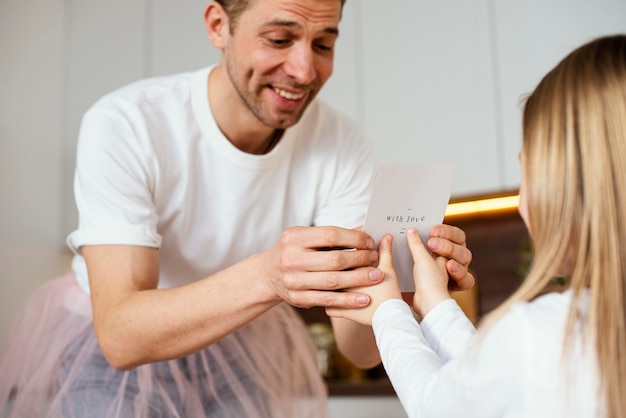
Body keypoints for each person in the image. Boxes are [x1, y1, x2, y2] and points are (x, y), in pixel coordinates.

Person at [0, 0, 474, 417]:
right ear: (217, 26)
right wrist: (268, 277)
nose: (305, 70)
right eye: (279, 38)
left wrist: (403, 297)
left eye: (324, 45)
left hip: (240, 343)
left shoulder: (343, 147)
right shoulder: (127, 123)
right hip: (110, 340)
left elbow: (360, 350)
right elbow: (122, 337)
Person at [327, 33, 626, 418]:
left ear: (562, 188)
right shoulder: (573, 332)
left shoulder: (543, 332)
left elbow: (435, 404)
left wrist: (388, 310)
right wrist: (435, 302)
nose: (522, 201)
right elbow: (481, 380)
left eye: (528, 174)